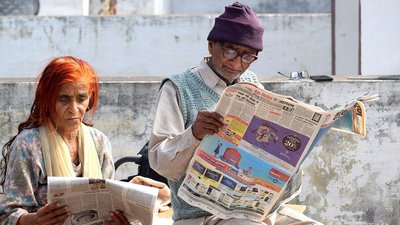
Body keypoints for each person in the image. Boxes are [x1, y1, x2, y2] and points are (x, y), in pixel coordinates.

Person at [148, 2, 322, 225]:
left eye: (248, 56)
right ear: (211, 45)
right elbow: (160, 163)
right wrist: (194, 134)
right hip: (201, 216)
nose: (238, 63)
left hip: (254, 209)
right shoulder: (178, 88)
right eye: (230, 51)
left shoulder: (252, 84)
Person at [0, 56, 129, 225]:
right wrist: (33, 220)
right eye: (64, 99)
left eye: (81, 99)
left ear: (90, 98)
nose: (74, 109)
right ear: (47, 99)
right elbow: (7, 215)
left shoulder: (99, 142)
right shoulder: (29, 145)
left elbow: (109, 204)